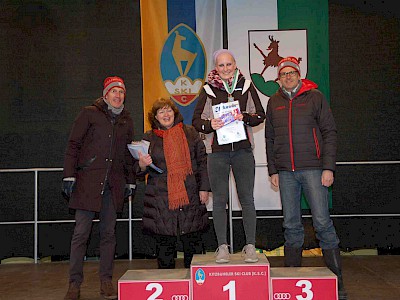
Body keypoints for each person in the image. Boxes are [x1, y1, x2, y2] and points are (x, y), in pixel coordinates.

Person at [265, 57, 347, 299]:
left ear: (299, 75)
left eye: (292, 72)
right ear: (278, 78)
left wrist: (328, 167)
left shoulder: (316, 97)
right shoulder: (273, 101)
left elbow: (329, 132)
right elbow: (269, 139)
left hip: (314, 169)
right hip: (285, 173)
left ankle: (337, 285)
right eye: (283, 74)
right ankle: (292, 284)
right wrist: (273, 170)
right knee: (291, 226)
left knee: (322, 223)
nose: (288, 76)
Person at [61, 76, 137, 300]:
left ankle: (106, 281)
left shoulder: (127, 120)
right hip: (87, 184)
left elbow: (128, 154)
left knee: (108, 235)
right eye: (114, 91)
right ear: (105, 94)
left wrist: (131, 180)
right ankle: (74, 284)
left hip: (113, 187)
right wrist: (69, 175)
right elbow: (73, 144)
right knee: (80, 235)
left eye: (121, 92)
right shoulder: (89, 114)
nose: (118, 95)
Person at [192, 49, 265, 263]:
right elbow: (196, 120)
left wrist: (244, 117)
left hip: (242, 151)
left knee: (247, 199)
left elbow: (260, 115)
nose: (225, 69)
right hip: (218, 153)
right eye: (221, 65)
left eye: (229, 64)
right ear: (216, 68)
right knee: (219, 200)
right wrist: (210, 125)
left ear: (235, 65)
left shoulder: (247, 86)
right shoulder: (208, 90)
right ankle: (222, 246)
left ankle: (250, 246)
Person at [138, 97, 210, 269]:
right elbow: (138, 170)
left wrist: (204, 188)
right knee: (165, 247)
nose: (165, 114)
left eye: (168, 110)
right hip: (160, 199)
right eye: (161, 111)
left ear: (175, 113)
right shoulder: (148, 138)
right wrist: (141, 165)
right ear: (155, 117)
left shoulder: (190, 133)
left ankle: (195, 288)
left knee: (191, 245)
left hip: (190, 195)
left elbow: (202, 162)